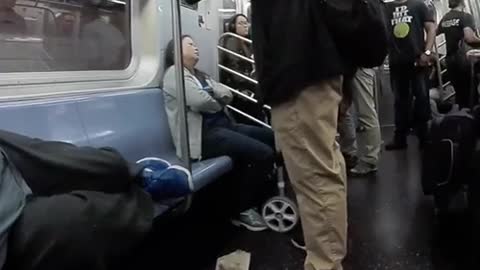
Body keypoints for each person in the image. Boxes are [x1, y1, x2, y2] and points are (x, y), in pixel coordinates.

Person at [250, 1, 349, 269]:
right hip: (315, 69)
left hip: (296, 73)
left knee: (315, 178)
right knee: (324, 172)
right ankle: (329, 256)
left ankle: (324, 264)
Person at [163, 35, 275, 232]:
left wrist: (212, 99)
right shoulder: (174, 74)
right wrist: (215, 101)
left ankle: (263, 191)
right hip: (201, 138)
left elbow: (226, 93)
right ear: (176, 52)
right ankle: (242, 210)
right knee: (263, 153)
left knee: (271, 137)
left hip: (224, 127)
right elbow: (199, 101)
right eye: (190, 44)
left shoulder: (200, 75)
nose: (195, 47)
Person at [384, 0, 437, 150]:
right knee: (400, 101)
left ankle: (424, 137)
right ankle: (400, 138)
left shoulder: (418, 5)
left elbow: (431, 28)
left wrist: (427, 52)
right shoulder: (387, 8)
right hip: (396, 61)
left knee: (421, 98)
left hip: (417, 60)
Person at [220, 14, 264, 124]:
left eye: (246, 23)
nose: (245, 26)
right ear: (233, 26)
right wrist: (248, 84)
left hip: (248, 84)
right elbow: (234, 66)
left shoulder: (246, 43)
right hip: (239, 88)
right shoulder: (231, 41)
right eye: (241, 23)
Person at [339, 68, 382, 176]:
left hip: (359, 66)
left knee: (366, 112)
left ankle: (370, 159)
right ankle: (348, 152)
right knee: (344, 109)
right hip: (353, 66)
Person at [438, 0, 480, 109]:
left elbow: (435, 32)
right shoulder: (465, 16)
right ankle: (472, 121)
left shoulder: (445, 18)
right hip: (464, 59)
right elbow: (469, 38)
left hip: (450, 60)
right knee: (471, 95)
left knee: (460, 95)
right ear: (462, 2)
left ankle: (462, 121)